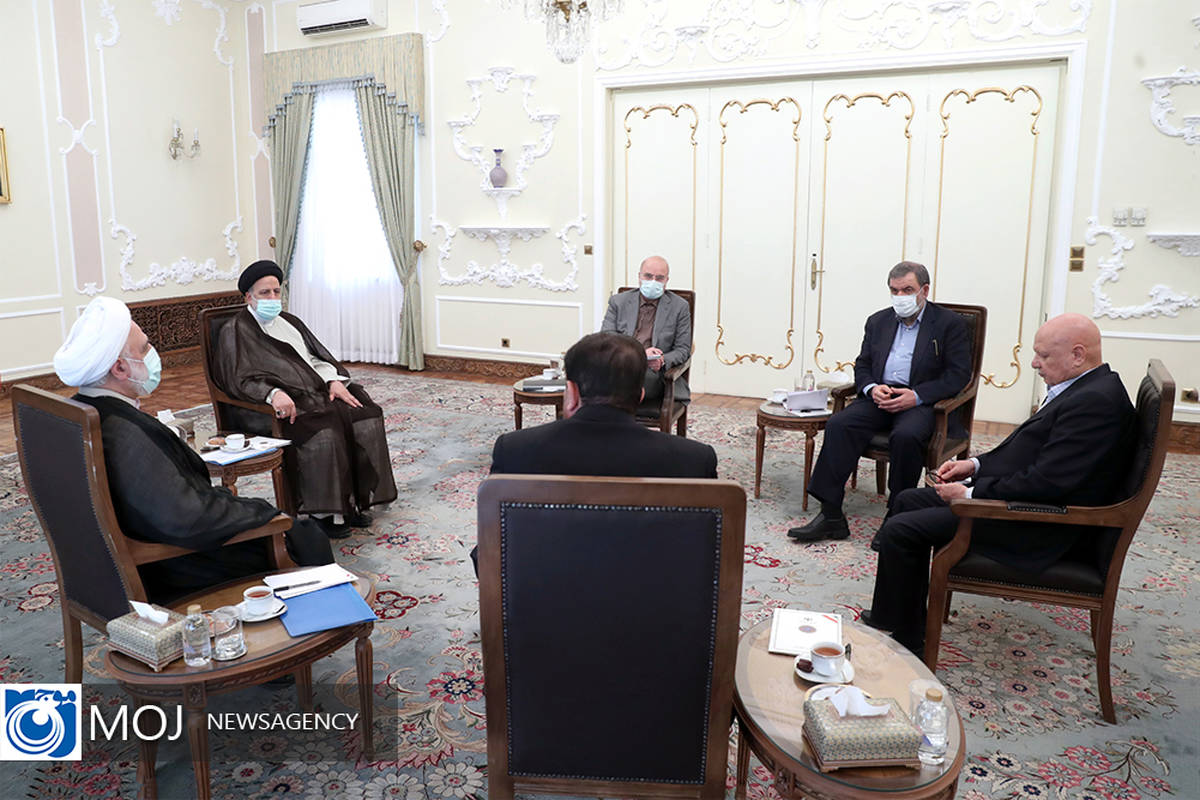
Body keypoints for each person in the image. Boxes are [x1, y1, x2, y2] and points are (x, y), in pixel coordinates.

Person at [861, 313, 1136, 655]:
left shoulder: (1095, 403)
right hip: (1032, 503)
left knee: (901, 530)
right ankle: (893, 614)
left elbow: (1047, 482)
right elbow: (1028, 454)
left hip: (1039, 523)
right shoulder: (1088, 388)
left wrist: (971, 493)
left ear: (1078, 355)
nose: (1034, 363)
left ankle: (910, 643)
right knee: (906, 500)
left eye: (1043, 355)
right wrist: (974, 465)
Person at [52, 296, 335, 600]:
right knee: (303, 535)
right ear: (119, 368)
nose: (153, 354)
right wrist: (264, 512)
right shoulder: (122, 432)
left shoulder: (81, 410)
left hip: (121, 557)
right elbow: (187, 518)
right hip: (170, 566)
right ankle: (324, 617)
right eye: (145, 348)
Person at [471, 332, 718, 573]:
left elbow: (488, 559)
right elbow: (708, 561)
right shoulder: (694, 460)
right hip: (652, 597)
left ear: (572, 393)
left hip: (544, 596)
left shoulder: (515, 450)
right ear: (641, 396)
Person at [788, 261, 970, 543]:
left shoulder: (949, 324)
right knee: (839, 424)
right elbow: (863, 364)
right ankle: (831, 514)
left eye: (907, 290)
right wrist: (872, 388)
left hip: (920, 401)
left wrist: (916, 396)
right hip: (880, 396)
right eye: (894, 290)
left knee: (907, 436)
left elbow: (958, 376)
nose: (900, 297)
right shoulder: (878, 321)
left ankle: (897, 513)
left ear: (924, 290)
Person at [214, 260, 397, 535]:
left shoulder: (289, 322)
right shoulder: (236, 330)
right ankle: (323, 513)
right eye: (264, 293)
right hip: (270, 407)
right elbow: (237, 379)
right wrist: (273, 394)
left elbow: (315, 359)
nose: (272, 298)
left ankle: (351, 503)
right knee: (326, 428)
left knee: (364, 412)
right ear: (248, 297)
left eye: (276, 291)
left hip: (313, 391)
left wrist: (333, 381)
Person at [600, 255, 691, 405]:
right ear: (639, 277)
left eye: (659, 278)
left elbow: (683, 349)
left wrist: (662, 360)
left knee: (618, 384)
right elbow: (606, 339)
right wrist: (640, 354)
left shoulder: (679, 307)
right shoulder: (618, 302)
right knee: (588, 373)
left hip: (653, 373)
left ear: (666, 280)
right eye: (648, 276)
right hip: (619, 364)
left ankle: (610, 413)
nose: (653, 282)